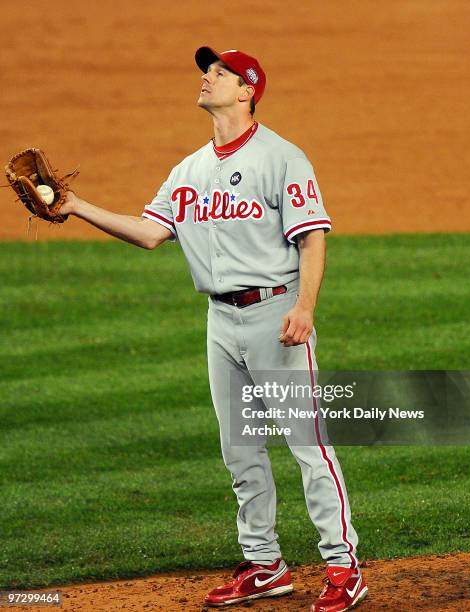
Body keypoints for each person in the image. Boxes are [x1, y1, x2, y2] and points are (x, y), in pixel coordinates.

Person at [60, 46, 368, 612]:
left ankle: (343, 567)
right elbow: (150, 232)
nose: (208, 78)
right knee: (240, 451)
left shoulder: (283, 158)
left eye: (220, 73)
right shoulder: (189, 170)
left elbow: (312, 236)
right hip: (220, 323)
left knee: (309, 448)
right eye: (208, 71)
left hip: (276, 318)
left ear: (247, 91)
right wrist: (78, 205)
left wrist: (304, 307)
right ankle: (264, 565)